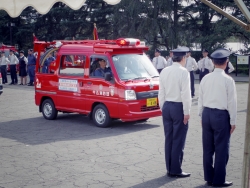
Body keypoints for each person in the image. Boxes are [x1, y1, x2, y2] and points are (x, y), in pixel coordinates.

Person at [198, 48, 237, 187]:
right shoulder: (228, 80)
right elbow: (232, 102)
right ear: (226, 62)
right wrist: (233, 121)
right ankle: (219, 180)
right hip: (221, 115)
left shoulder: (205, 78)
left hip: (207, 113)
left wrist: (201, 115)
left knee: (208, 148)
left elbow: (200, 99)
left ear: (213, 62)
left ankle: (209, 177)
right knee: (221, 148)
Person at [158, 46, 191, 178]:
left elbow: (161, 92)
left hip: (167, 105)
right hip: (178, 107)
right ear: (183, 58)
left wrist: (162, 107)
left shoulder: (165, 71)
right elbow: (186, 94)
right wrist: (187, 111)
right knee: (178, 139)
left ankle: (169, 168)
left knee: (169, 138)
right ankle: (176, 169)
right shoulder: (184, 72)